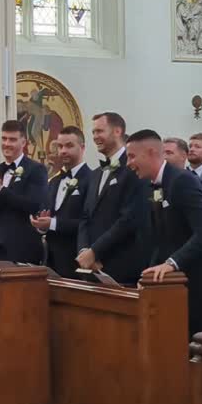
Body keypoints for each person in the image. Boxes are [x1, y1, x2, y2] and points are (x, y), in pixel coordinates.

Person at [127, 129, 202, 336]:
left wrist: (172, 263)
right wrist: (148, 274)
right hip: (174, 286)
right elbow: (162, 239)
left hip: (198, 282)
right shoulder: (149, 185)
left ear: (151, 153)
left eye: (132, 156)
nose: (128, 163)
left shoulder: (183, 181)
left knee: (191, 347)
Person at [77, 111, 148, 284]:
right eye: (93, 132)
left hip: (121, 264)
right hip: (92, 266)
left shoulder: (134, 168)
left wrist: (96, 251)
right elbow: (86, 217)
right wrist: (84, 250)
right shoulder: (95, 174)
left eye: (100, 131)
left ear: (117, 131)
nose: (95, 137)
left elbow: (129, 218)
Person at [0, 119, 48, 264]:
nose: (6, 143)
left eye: (12, 139)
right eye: (4, 138)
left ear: (23, 142)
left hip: (23, 249)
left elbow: (33, 205)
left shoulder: (36, 170)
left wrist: (0, 190)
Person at [30, 125, 91, 277]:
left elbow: (88, 223)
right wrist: (42, 226)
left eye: (69, 146)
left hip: (76, 260)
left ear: (82, 148)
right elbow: (49, 214)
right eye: (60, 146)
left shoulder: (91, 179)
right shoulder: (54, 181)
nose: (63, 151)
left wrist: (52, 223)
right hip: (50, 260)